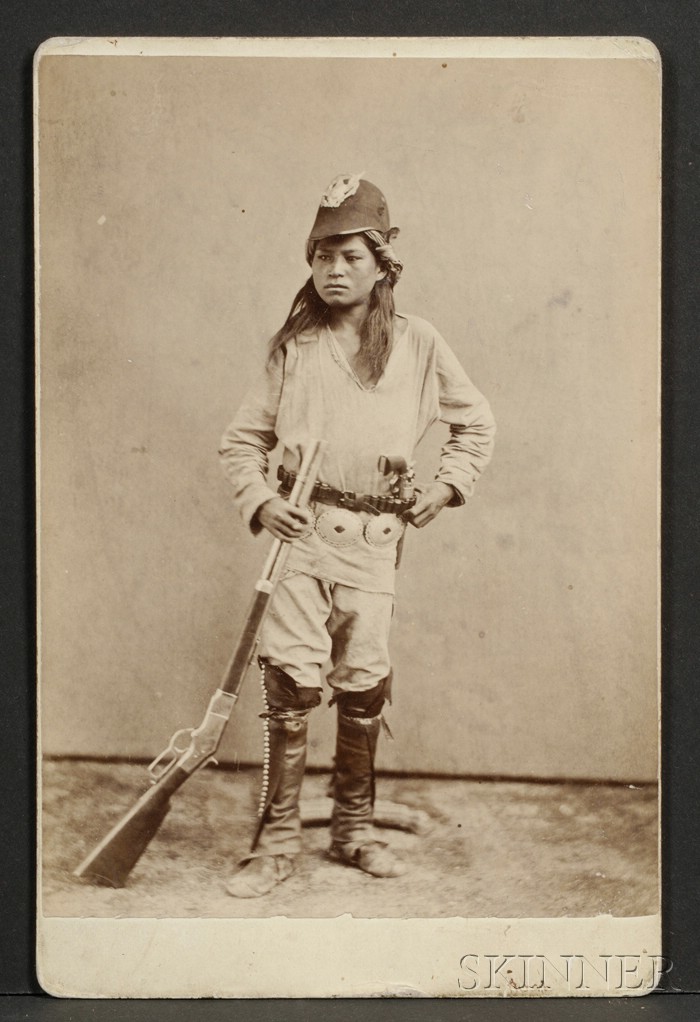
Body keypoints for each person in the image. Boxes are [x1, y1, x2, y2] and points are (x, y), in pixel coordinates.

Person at [219, 173, 496, 898]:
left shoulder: (418, 344)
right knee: (288, 684)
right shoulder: (296, 348)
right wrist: (260, 501)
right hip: (302, 540)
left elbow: (475, 424)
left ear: (382, 266)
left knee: (364, 685)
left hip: (373, 545)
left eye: (349, 257)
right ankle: (277, 841)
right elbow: (242, 441)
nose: (333, 271)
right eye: (321, 257)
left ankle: (352, 830)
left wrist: (446, 485)